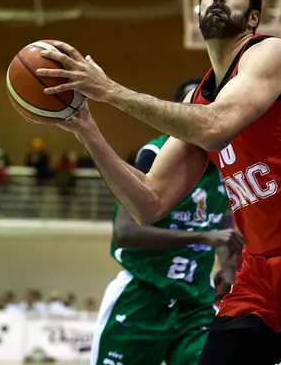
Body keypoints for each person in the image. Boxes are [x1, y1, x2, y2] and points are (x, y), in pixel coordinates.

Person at [37, 0, 281, 365]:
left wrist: (109, 90)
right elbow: (148, 203)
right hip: (262, 268)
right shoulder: (197, 102)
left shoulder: (270, 52)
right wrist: (87, 129)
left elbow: (217, 127)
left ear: (253, 18)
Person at [88, 79, 243, 365]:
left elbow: (221, 224)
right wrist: (203, 238)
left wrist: (229, 267)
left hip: (194, 304)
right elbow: (124, 232)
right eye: (191, 107)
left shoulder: (226, 164)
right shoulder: (155, 154)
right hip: (143, 296)